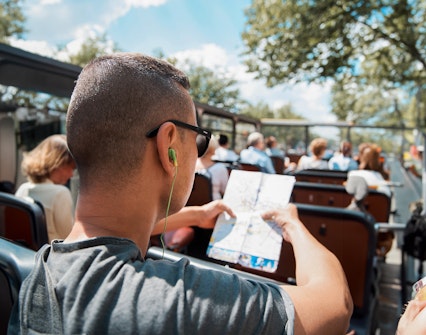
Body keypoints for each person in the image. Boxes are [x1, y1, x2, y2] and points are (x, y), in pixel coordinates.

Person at [9, 53, 352, 334]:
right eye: (199, 139)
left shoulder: (34, 275)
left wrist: (197, 215)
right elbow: (335, 305)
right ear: (168, 145)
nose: (200, 151)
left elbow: (107, 231)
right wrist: (292, 223)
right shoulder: (179, 302)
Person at [14, 134, 75, 242]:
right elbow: (69, 239)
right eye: (71, 167)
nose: (71, 174)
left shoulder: (22, 189)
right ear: (57, 164)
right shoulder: (61, 193)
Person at [195, 136, 229, 200]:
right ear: (214, 148)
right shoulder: (220, 168)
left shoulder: (191, 164)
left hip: (190, 206)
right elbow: (225, 191)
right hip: (212, 207)